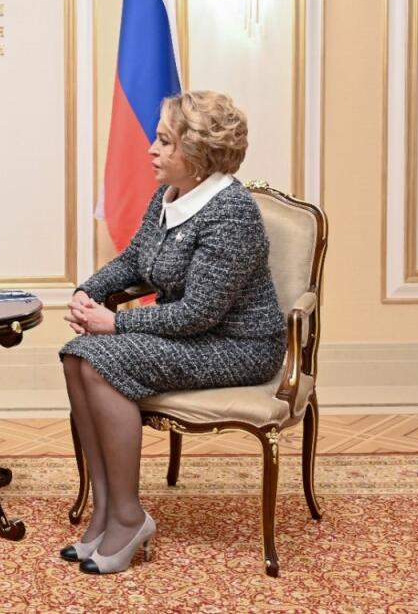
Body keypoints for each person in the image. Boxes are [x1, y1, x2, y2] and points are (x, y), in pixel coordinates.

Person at [60, 90, 284, 575]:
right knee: (76, 354)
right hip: (194, 336)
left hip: (237, 347)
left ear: (198, 153)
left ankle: (128, 517)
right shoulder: (168, 196)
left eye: (165, 141)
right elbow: (132, 260)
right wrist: (87, 291)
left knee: (100, 358)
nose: (152, 149)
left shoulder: (232, 212)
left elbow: (198, 314)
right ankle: (106, 510)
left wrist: (115, 322)